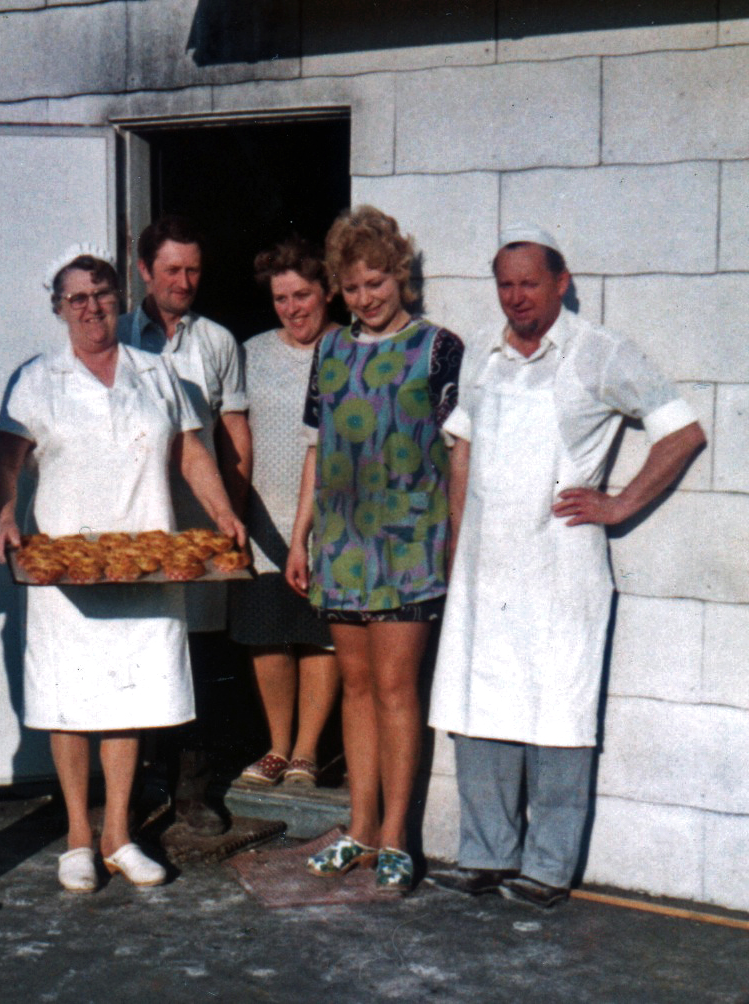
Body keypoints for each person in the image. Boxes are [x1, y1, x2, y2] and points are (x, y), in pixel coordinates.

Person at [426, 224, 706, 909]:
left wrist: (619, 505)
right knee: (479, 706)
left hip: (558, 568)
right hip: (487, 566)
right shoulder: (485, 356)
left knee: (558, 713)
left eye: (529, 283)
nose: (516, 298)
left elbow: (683, 430)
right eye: (505, 285)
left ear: (561, 282)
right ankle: (484, 854)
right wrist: (459, 542)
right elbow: (460, 450)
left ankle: (547, 869)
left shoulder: (599, 353)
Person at [0, 246, 246, 894]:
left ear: (118, 300)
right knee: (71, 704)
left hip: (144, 557)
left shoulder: (157, 375)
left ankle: (119, 835)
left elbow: (191, 451)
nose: (92, 308)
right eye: (77, 298)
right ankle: (78, 837)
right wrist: (3, 514)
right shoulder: (38, 379)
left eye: (102, 295)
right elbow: (8, 458)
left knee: (128, 700)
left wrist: (221, 513)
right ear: (59, 308)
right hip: (65, 566)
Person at [285, 206, 463, 894]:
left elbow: (458, 455)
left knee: (395, 690)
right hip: (341, 542)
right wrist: (301, 536)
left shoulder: (438, 347)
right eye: (353, 287)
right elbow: (315, 448)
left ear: (401, 276)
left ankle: (397, 837)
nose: (367, 297)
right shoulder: (329, 351)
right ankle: (357, 829)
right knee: (354, 688)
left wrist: (454, 539)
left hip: (410, 541)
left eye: (377, 281)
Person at [116, 216, 251, 834]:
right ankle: (141, 789)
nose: (184, 281)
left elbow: (231, 437)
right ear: (145, 270)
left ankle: (194, 792)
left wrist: (234, 515)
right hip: (136, 521)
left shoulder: (216, 342)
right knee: (140, 652)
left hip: (197, 525)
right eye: (172, 269)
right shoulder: (114, 338)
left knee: (201, 658)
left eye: (193, 269)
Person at [232, 237, 340, 788]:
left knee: (318, 633)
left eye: (302, 295)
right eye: (281, 298)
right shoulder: (249, 353)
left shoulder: (348, 347)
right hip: (262, 514)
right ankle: (276, 745)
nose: (293, 308)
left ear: (327, 292)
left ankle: (306, 750)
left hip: (329, 515)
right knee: (268, 633)